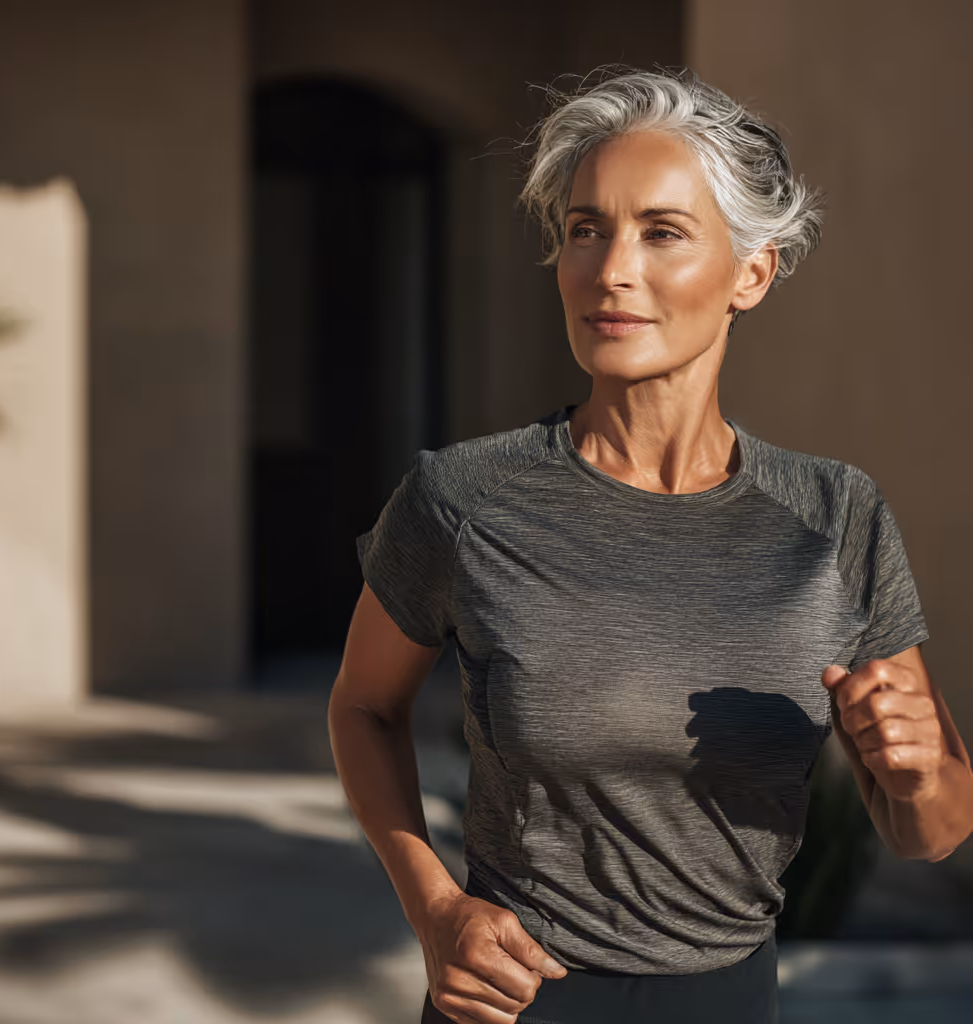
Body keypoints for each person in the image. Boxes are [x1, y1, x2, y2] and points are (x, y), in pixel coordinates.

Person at [328, 65, 973, 1024]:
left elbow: (931, 832)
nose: (609, 269)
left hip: (735, 1001)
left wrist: (921, 773)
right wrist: (433, 908)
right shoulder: (464, 498)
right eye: (586, 229)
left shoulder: (838, 515)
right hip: (516, 1003)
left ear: (752, 273)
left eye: (661, 232)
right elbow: (363, 708)